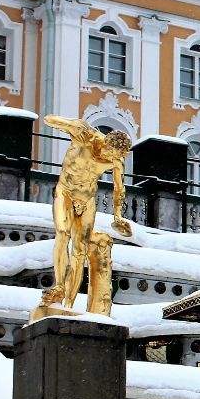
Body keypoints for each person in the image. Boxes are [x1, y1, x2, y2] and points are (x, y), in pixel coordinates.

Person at [41, 116, 131, 314]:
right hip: (65, 192)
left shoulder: (116, 160)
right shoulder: (86, 136)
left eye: (116, 156)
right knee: (63, 234)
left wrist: (118, 216)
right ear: (105, 142)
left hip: (87, 200)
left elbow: (119, 189)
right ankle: (59, 286)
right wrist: (70, 124)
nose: (111, 158)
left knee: (80, 251)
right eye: (110, 153)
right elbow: (48, 119)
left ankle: (69, 305)